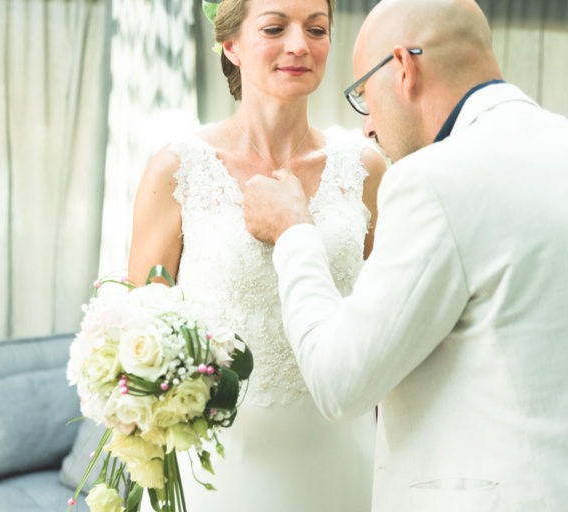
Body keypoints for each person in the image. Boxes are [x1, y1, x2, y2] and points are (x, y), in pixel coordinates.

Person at [241, 0, 568, 511]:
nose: (369, 128)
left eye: (364, 96)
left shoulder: (435, 182)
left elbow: (340, 381)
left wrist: (294, 232)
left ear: (403, 68)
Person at [127, 0, 386, 510]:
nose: (300, 45)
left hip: (340, 448)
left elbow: (385, 317)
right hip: (219, 462)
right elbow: (142, 330)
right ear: (231, 45)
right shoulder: (178, 169)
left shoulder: (365, 168)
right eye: (274, 28)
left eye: (317, 29)